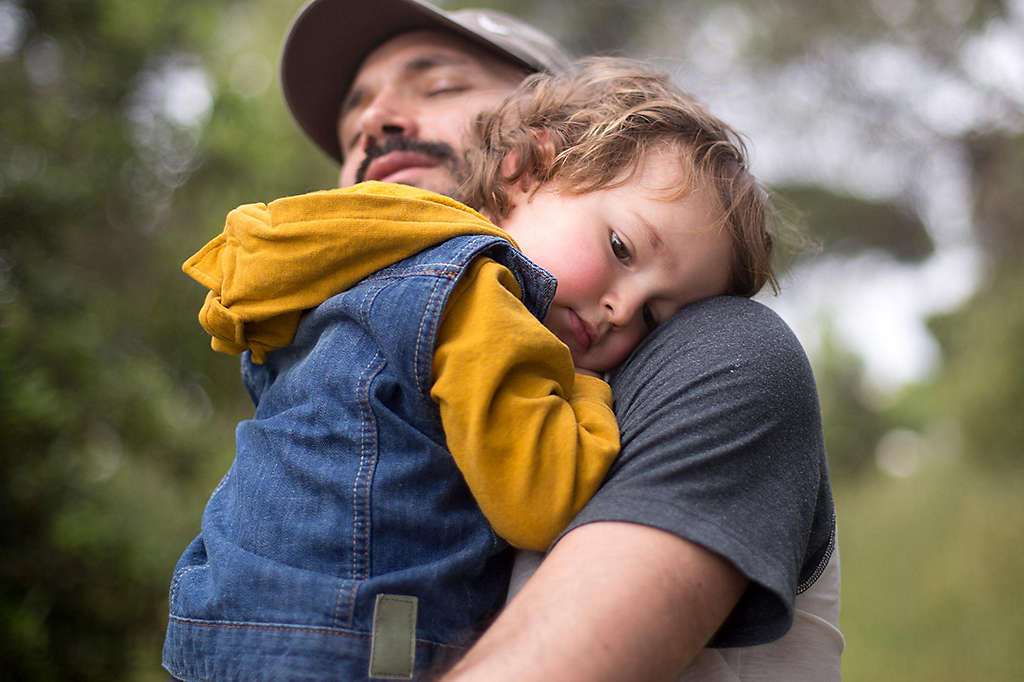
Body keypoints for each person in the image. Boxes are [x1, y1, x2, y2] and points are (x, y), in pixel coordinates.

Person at [193, 0, 843, 679]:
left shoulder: (716, 350)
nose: (372, 121)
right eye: (353, 115)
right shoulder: (355, 350)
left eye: (440, 85)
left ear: (537, 141)